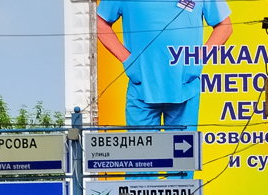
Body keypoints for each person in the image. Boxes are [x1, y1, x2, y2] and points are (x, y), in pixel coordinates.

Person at [96, 0, 232, 132]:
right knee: (141, 153)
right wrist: (128, 60)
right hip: (142, 85)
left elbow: (224, 26)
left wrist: (197, 59)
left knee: (183, 153)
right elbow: (100, 23)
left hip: (184, 86)